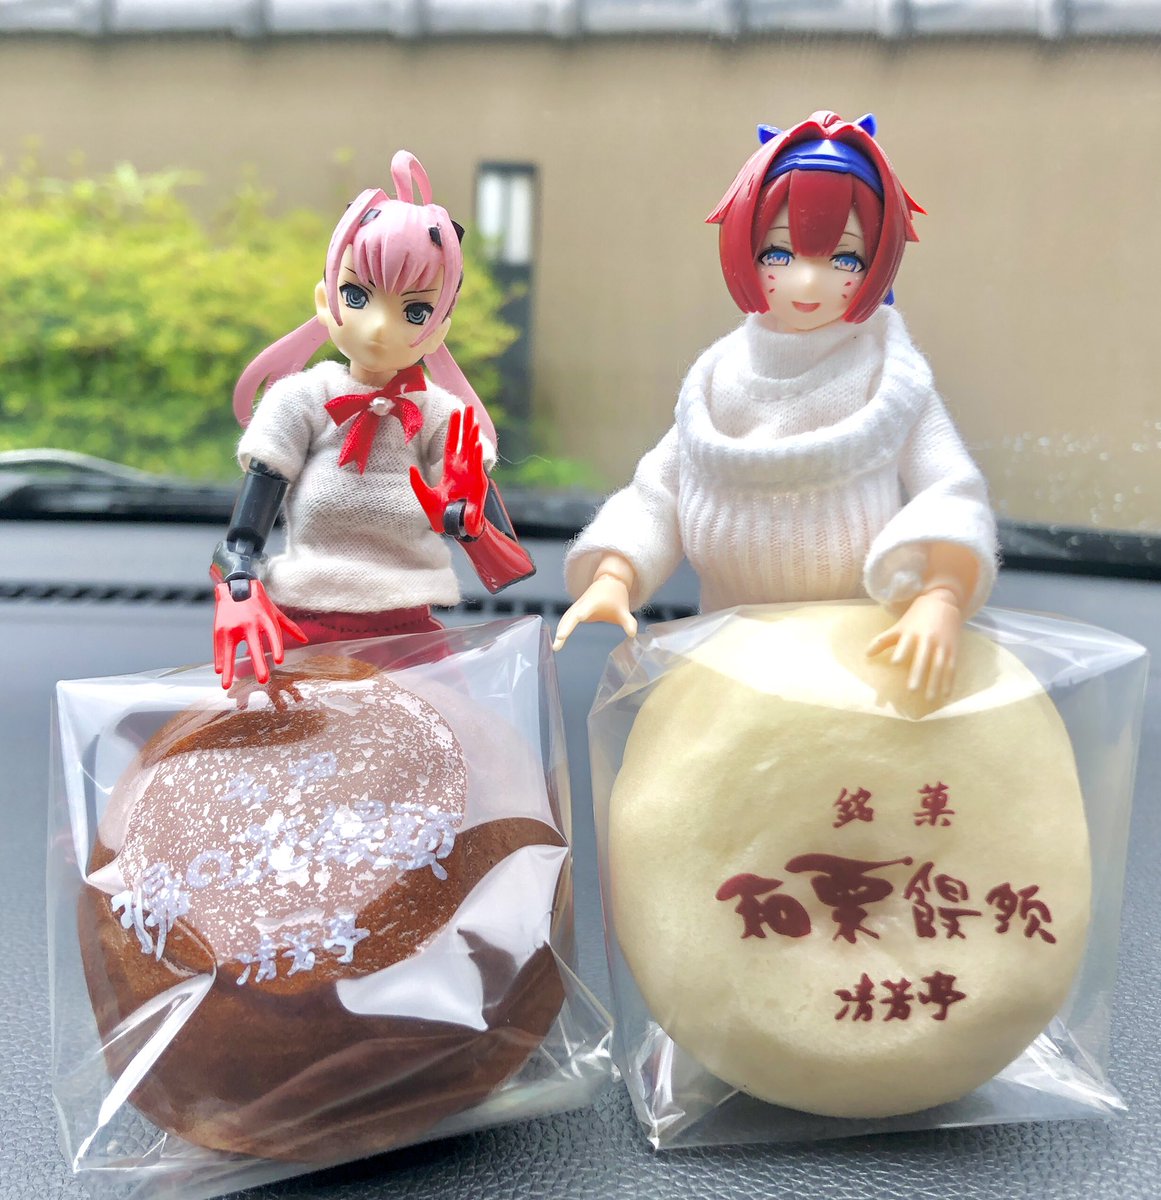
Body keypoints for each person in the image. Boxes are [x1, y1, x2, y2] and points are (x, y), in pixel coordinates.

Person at [554, 111, 996, 700]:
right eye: (780, 254)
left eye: (844, 259)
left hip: (856, 647)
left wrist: (940, 595)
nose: (807, 283)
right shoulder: (721, 376)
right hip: (727, 646)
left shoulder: (889, 377)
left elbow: (951, 487)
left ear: (878, 261)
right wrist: (616, 573)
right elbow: (657, 490)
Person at [211, 150, 533, 689]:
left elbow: (505, 558)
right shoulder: (301, 400)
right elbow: (242, 538)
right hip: (302, 625)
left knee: (454, 732)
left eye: (414, 311)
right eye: (357, 295)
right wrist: (238, 587)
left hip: (410, 634)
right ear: (324, 299)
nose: (380, 327)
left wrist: (462, 518)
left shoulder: (441, 417)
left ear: (439, 327)